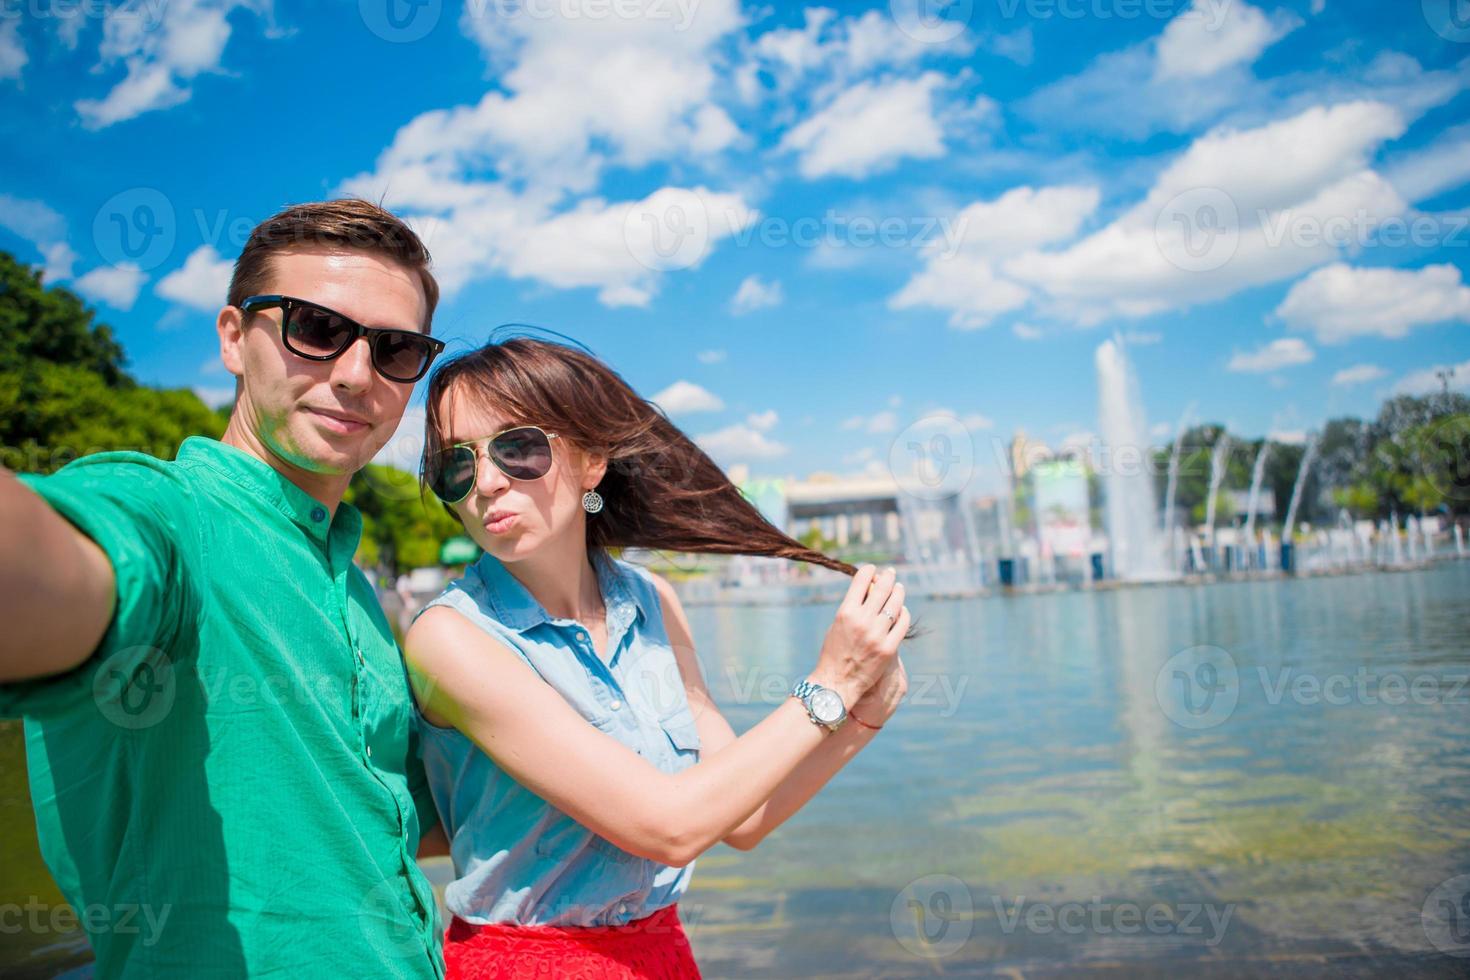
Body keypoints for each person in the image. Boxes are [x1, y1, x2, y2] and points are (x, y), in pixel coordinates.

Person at [0, 199, 451, 978]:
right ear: (235, 339)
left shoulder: (360, 594)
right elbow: (56, 568)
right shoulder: (169, 514)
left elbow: (395, 815)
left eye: (396, 349)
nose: (355, 375)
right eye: (316, 328)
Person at [406, 337, 915, 978]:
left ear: (592, 462)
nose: (485, 483)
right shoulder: (452, 638)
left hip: (661, 955)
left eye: (518, 448)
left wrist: (864, 716)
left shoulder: (653, 602)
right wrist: (830, 684)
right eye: (456, 464)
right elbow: (667, 826)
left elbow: (744, 817)